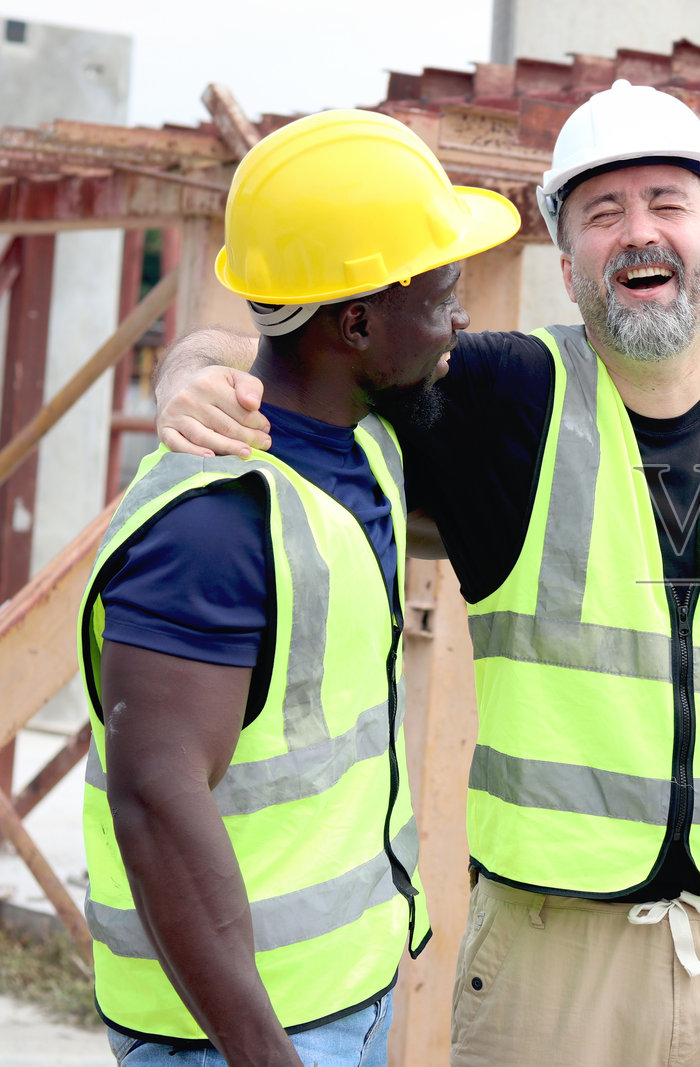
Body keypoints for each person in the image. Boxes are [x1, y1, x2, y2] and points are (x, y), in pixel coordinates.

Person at [157, 80, 700, 1067]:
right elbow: (285, 347)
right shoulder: (499, 401)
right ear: (567, 261)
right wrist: (191, 374)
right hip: (556, 961)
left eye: (668, 204)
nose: (639, 232)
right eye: (604, 212)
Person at [80, 109, 520, 1066]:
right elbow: (153, 797)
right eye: (445, 291)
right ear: (356, 321)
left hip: (338, 998)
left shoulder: (365, 438)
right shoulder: (214, 523)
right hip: (234, 1036)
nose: (462, 318)